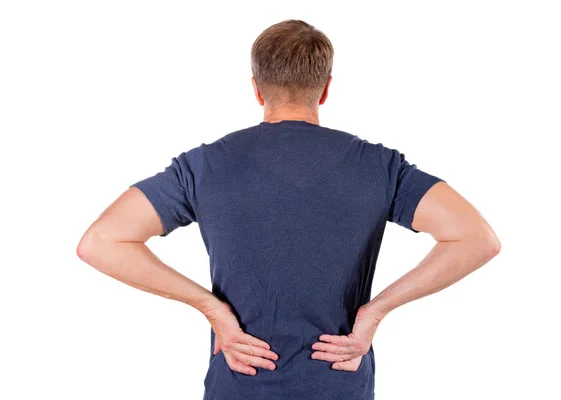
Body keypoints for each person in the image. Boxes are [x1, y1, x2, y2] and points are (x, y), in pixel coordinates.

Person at [76, 19, 501, 400]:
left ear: (257, 88)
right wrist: (375, 312)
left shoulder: (204, 165)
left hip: (240, 384)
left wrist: (211, 309)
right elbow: (476, 237)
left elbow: (101, 242)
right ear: (326, 88)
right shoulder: (379, 166)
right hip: (338, 382)